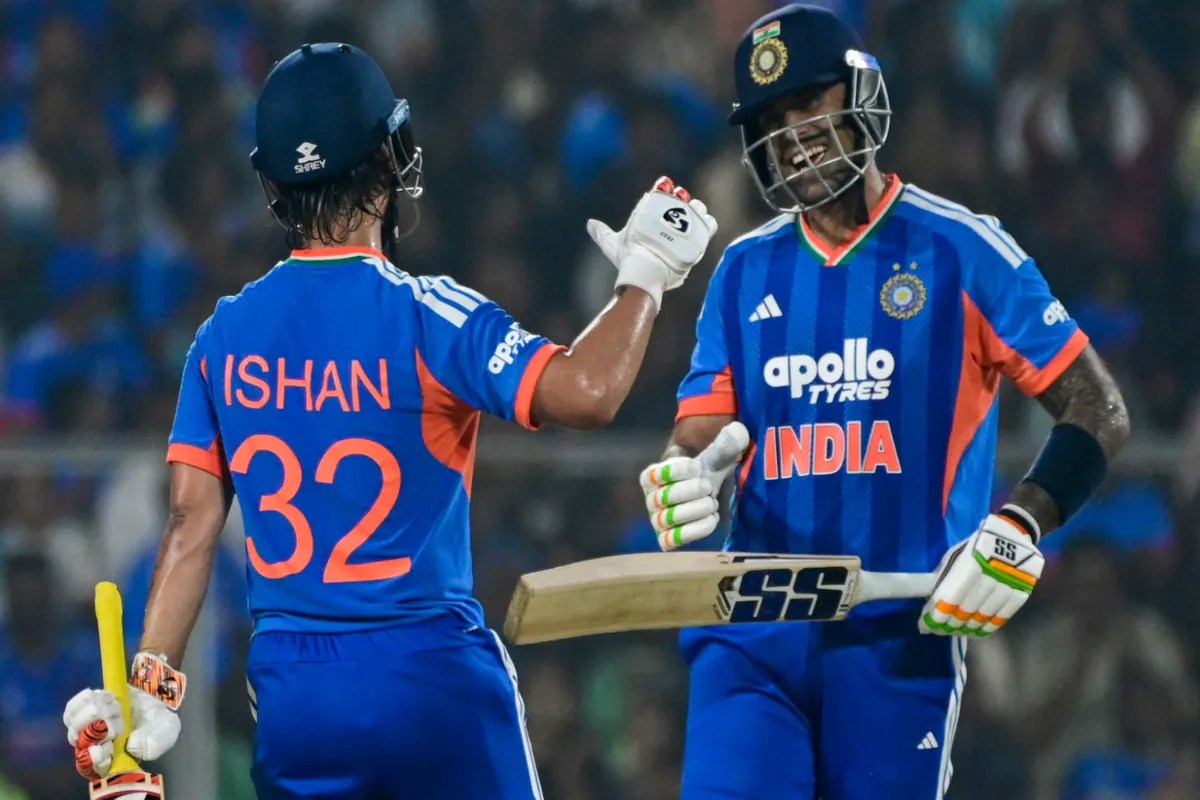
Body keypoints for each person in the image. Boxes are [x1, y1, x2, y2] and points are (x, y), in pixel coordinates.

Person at [61, 42, 717, 799]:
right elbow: (589, 392)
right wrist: (645, 273)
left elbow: (190, 524)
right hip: (427, 670)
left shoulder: (222, 335)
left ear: (272, 184)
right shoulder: (428, 313)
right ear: (390, 157)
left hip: (295, 693)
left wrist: (151, 688)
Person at [638, 5, 1130, 798]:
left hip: (900, 638)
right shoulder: (741, 270)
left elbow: (1098, 408)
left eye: (806, 102)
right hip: (751, 631)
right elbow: (699, 434)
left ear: (862, 93)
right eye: (768, 119)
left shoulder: (963, 249)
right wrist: (685, 472)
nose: (789, 134)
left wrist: (1018, 524)